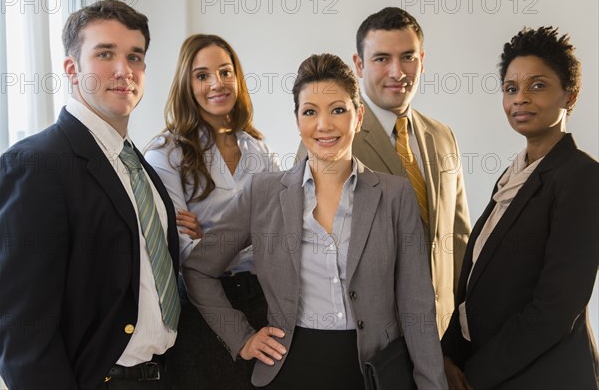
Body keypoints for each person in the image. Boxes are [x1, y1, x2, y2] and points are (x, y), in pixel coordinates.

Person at [182, 53, 447, 389]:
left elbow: (417, 309)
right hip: (291, 371)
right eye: (310, 112)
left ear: (358, 116)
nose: (324, 125)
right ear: (297, 120)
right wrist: (241, 337)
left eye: (338, 109)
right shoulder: (263, 193)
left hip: (376, 373)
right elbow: (198, 268)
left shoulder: (395, 196)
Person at [0, 0, 180, 390]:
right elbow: (22, 332)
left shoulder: (139, 166)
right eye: (104, 54)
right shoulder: (35, 164)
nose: (123, 70)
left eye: (135, 57)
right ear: (71, 69)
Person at [442, 26, 599, 390]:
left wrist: (474, 376)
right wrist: (448, 355)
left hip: (543, 376)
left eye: (538, 85)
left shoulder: (581, 177)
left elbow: (556, 309)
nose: (520, 98)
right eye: (511, 88)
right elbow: (477, 279)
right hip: (489, 368)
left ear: (570, 97)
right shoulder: (515, 176)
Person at [297, 7, 471, 335]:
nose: (397, 71)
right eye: (381, 59)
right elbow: (309, 247)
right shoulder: (329, 137)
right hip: (370, 338)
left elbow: (458, 238)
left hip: (443, 332)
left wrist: (460, 333)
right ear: (359, 65)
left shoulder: (443, 137)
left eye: (407, 57)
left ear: (422, 59)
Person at [144, 34, 280, 389]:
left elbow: (280, 237)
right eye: (202, 75)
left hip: (263, 301)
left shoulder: (260, 150)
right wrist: (245, 237)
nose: (216, 84)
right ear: (186, 85)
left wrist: (213, 236)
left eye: (225, 71)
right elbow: (188, 256)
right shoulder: (165, 154)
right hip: (203, 311)